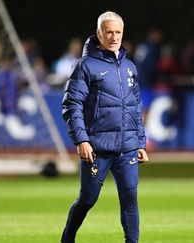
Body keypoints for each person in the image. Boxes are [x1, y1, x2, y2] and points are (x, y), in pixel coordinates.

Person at [60, 11, 149, 243]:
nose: (114, 36)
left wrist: (140, 142)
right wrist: (81, 140)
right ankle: (67, 238)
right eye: (108, 32)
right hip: (97, 148)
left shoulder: (130, 67)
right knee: (88, 199)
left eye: (118, 32)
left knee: (130, 199)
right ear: (99, 33)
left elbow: (135, 107)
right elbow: (72, 105)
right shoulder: (84, 66)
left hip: (127, 148)